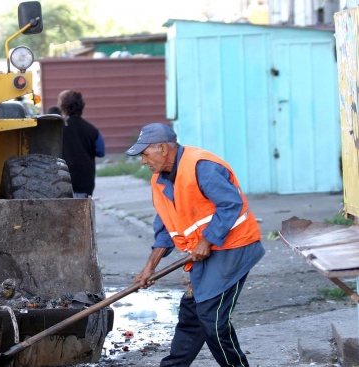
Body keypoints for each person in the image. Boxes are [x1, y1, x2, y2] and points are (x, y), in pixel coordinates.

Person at [126, 122, 265, 367]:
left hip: (233, 248)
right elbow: (166, 227)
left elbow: (231, 204)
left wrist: (207, 239)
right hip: (201, 253)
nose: (143, 161)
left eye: (145, 154)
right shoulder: (159, 181)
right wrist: (150, 267)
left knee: (212, 319)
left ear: (162, 149)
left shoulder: (202, 166)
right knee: (192, 315)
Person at [58, 90, 105, 197]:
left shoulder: (58, 129)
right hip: (85, 183)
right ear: (82, 107)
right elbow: (101, 152)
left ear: (63, 107)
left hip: (61, 182)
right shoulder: (92, 130)